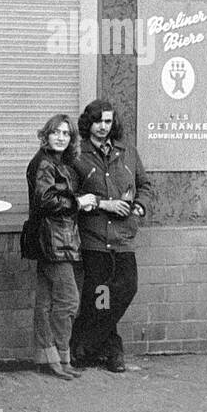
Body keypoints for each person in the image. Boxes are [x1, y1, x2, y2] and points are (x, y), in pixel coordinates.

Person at [70, 99, 155, 373]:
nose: (103, 127)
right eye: (98, 122)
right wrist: (104, 203)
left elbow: (145, 185)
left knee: (127, 288)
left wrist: (140, 206)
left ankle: (84, 345)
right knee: (99, 295)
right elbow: (71, 196)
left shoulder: (128, 152)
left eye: (107, 121)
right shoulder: (77, 155)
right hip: (94, 239)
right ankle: (112, 352)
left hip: (123, 238)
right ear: (88, 124)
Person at [26, 114, 97, 380]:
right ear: (46, 135)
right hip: (54, 240)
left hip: (53, 239)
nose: (61, 137)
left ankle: (50, 357)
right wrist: (78, 203)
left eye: (66, 134)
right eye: (56, 132)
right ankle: (60, 357)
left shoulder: (56, 162)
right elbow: (45, 199)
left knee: (46, 302)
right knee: (68, 301)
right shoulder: (45, 163)